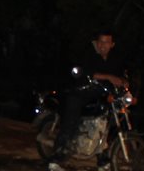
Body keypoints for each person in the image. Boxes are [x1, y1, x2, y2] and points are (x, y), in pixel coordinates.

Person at [53, 31, 128, 161]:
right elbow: (87, 72)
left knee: (108, 120)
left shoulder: (115, 58)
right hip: (82, 91)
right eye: (100, 42)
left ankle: (102, 157)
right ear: (97, 43)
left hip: (103, 94)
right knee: (71, 116)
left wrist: (124, 81)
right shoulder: (89, 53)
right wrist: (109, 77)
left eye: (106, 42)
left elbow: (121, 74)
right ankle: (58, 154)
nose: (103, 45)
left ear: (112, 44)